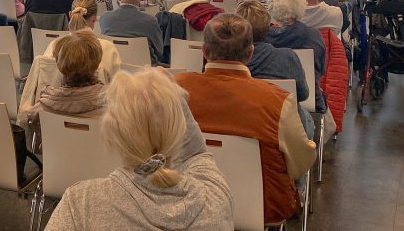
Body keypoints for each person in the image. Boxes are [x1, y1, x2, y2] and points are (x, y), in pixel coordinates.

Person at [47, 69, 233, 230]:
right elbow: (197, 153)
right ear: (178, 132)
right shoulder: (216, 198)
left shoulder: (82, 203)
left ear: (112, 140)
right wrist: (172, 98)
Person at [175, 14, 316, 225]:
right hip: (263, 208)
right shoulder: (277, 100)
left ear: (204, 51)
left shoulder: (173, 89)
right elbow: (299, 163)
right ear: (250, 52)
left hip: (185, 202)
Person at [27, 31, 106, 134]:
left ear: (59, 64)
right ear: (97, 62)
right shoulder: (115, 105)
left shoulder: (42, 109)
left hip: (55, 150)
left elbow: (34, 129)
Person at [265, 0, 327, 113]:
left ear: (271, 8)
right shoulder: (313, 36)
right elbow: (321, 71)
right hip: (309, 103)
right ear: (300, 6)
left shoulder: (262, 39)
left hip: (268, 103)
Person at [235, 0, 308, 103]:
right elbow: (303, 95)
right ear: (268, 26)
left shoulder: (226, 63)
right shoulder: (288, 57)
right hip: (282, 115)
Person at [100, 0, 163, 65]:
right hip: (144, 72)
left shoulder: (104, 18)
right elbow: (159, 52)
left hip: (113, 70)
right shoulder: (150, 21)